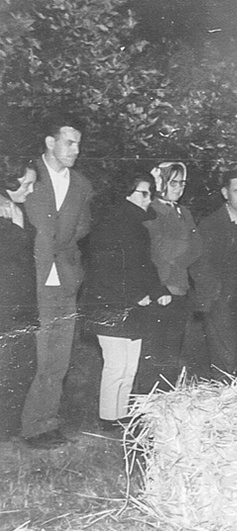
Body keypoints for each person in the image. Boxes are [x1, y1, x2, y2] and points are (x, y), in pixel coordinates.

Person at [21, 116, 94, 449]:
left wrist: (64, 259)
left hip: (64, 278)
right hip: (27, 276)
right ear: (50, 143)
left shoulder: (81, 184)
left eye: (78, 143)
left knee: (59, 356)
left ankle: (45, 423)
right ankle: (26, 424)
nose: (76, 150)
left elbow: (82, 228)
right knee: (32, 353)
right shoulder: (26, 176)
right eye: (69, 142)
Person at [83, 173, 171, 430]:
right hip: (111, 304)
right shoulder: (110, 224)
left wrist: (158, 290)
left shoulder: (136, 227)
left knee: (130, 366)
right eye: (144, 193)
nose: (149, 199)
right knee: (116, 364)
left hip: (133, 306)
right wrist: (133, 295)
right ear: (127, 194)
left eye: (151, 193)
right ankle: (108, 417)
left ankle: (121, 415)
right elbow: (105, 269)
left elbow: (144, 266)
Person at [137, 161, 202, 393]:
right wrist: (179, 249)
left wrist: (177, 255)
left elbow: (197, 248)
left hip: (180, 289)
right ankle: (143, 411)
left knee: (172, 355)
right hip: (160, 289)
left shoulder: (184, 212)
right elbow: (158, 248)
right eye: (173, 182)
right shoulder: (152, 209)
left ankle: (164, 405)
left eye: (182, 183)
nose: (179, 188)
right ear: (161, 183)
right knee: (154, 354)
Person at [191, 172, 237, 380]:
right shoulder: (211, 224)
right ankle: (223, 399)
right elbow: (198, 263)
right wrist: (214, 291)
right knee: (224, 356)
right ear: (225, 193)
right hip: (220, 298)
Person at [0, 158, 38, 442]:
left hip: (20, 301)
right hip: (5, 303)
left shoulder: (15, 210)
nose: (32, 189)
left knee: (21, 365)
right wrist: (14, 223)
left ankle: (8, 429)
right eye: (27, 184)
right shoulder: (7, 212)